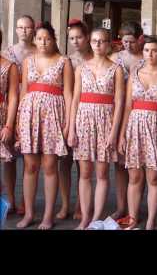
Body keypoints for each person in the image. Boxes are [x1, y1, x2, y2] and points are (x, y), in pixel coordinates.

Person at [16, 22, 74, 229]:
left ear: (54, 40)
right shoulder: (27, 61)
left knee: (50, 166)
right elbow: (24, 92)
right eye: (39, 38)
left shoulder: (64, 61)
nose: (43, 42)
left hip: (53, 116)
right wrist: (18, 121)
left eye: (47, 38)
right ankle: (30, 213)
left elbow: (68, 93)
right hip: (29, 116)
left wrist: (69, 122)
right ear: (35, 40)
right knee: (30, 165)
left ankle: (48, 215)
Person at [68, 28, 124, 230]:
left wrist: (114, 131)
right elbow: (75, 99)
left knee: (101, 173)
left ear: (109, 44)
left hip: (105, 121)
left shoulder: (116, 69)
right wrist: (72, 128)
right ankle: (84, 215)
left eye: (102, 41)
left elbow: (119, 102)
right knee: (84, 172)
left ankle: (96, 217)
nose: (98, 45)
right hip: (83, 120)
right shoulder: (81, 68)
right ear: (90, 43)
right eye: (94, 41)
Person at [118, 35, 157, 230]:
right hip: (135, 127)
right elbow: (128, 107)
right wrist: (122, 134)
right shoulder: (134, 74)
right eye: (147, 50)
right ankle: (132, 217)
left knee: (153, 178)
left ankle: (150, 221)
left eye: (154, 50)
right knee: (135, 177)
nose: (150, 54)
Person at [56, 19, 93, 221]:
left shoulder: (96, 58)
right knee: (64, 162)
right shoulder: (66, 60)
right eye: (72, 38)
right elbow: (67, 91)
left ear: (87, 38)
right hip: (68, 111)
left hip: (89, 113)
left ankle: (81, 203)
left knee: (83, 163)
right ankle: (64, 204)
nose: (76, 41)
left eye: (79, 37)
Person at [1, 15, 36, 216]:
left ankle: (26, 199)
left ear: (33, 30)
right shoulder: (8, 53)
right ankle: (10, 198)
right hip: (11, 103)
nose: (24, 31)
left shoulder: (38, 50)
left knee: (29, 155)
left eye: (28, 27)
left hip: (33, 103)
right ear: (16, 30)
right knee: (9, 157)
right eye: (20, 27)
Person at [109, 21, 143, 220]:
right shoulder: (115, 58)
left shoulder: (145, 58)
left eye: (131, 41)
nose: (127, 45)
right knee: (120, 162)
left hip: (138, 112)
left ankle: (135, 206)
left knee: (138, 162)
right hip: (118, 109)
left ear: (139, 39)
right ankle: (122, 206)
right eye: (124, 41)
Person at [0, 29, 20, 225]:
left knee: (7, 160)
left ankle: (10, 200)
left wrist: (8, 124)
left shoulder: (9, 66)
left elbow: (13, 96)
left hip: (2, 114)